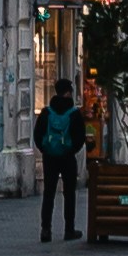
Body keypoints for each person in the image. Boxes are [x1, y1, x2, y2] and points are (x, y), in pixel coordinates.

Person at [32, 79, 88, 241]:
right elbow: (80, 137)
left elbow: (37, 135)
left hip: (50, 158)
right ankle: (69, 230)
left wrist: (46, 149)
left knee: (48, 193)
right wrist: (70, 150)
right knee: (69, 194)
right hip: (67, 158)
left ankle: (45, 230)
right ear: (69, 92)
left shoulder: (46, 112)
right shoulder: (74, 113)